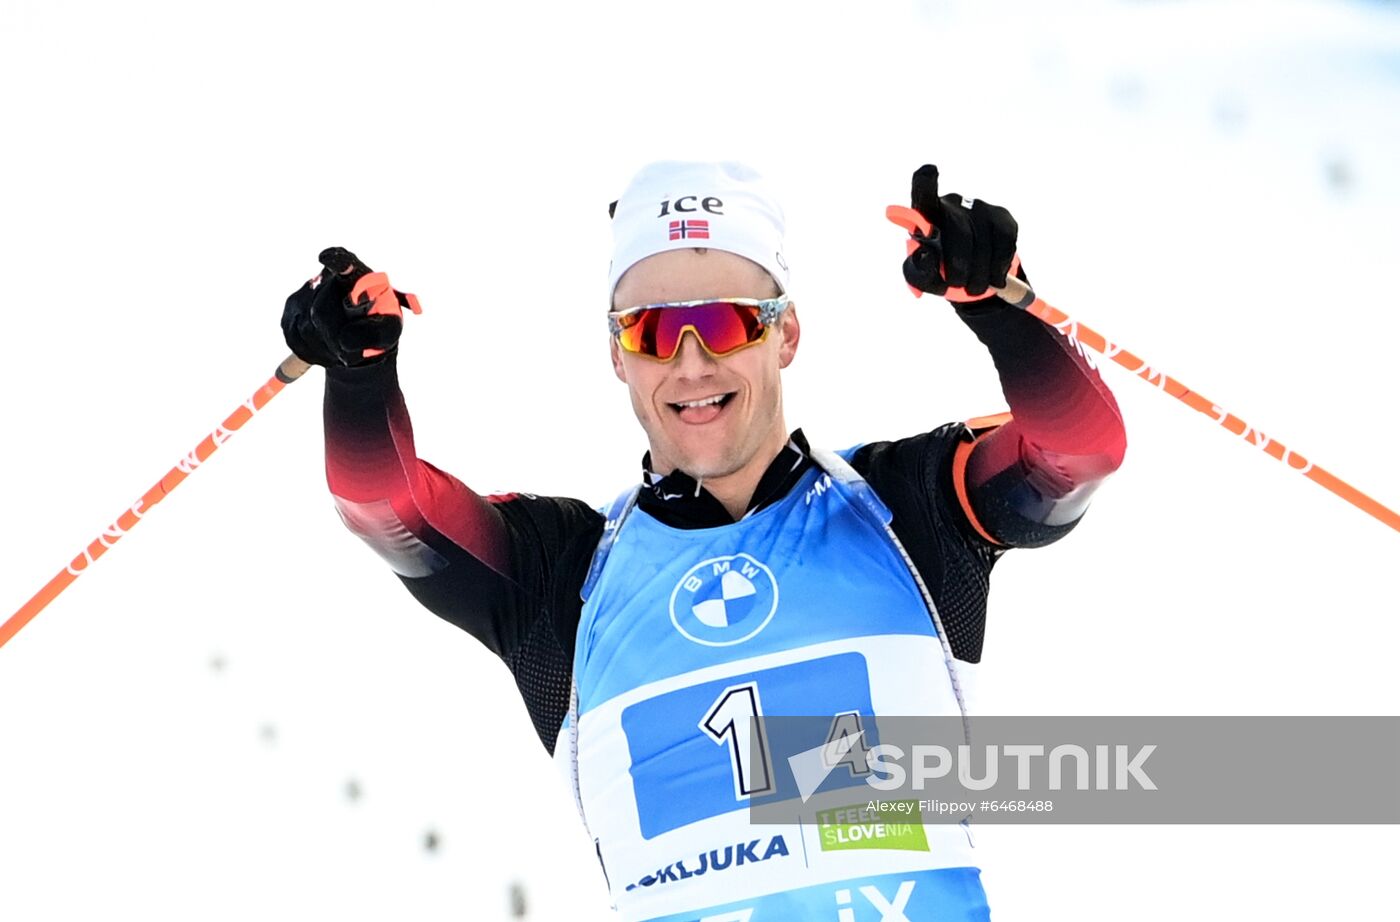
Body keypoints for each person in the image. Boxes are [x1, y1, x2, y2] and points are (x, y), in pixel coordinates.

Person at [281, 161, 1127, 921]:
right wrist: (359, 375)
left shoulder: (907, 509)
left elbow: (1077, 451)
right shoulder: (562, 573)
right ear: (619, 355)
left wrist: (1001, 306)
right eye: (651, 331)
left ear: (785, 334)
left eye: (725, 324)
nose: (689, 364)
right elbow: (384, 506)